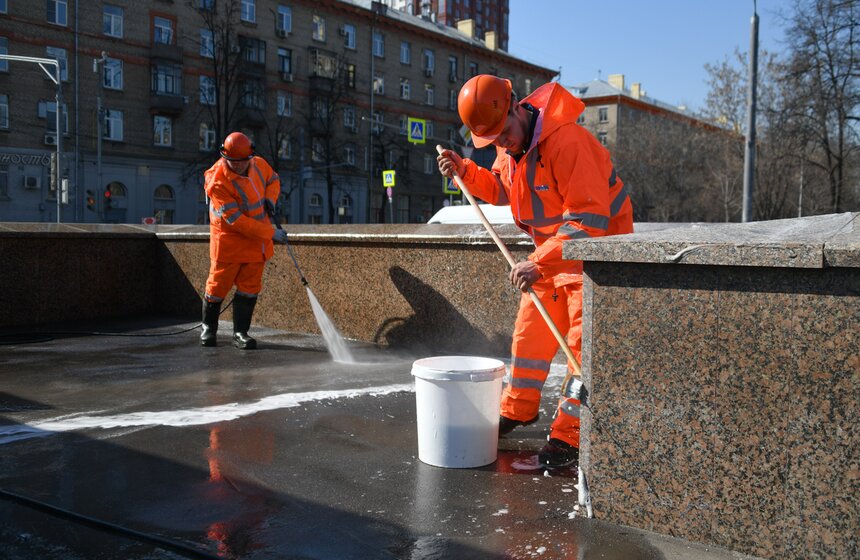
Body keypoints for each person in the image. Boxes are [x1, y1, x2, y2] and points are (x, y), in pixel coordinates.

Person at [437, 75, 634, 468]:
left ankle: (569, 438)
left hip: (595, 262)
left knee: (581, 353)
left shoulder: (568, 143)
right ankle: (518, 409)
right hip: (553, 257)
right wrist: (465, 171)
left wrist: (539, 262)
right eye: (493, 140)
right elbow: (502, 188)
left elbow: (589, 221)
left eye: (504, 133)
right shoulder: (511, 149)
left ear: (515, 106)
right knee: (529, 338)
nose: (502, 143)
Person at [200, 132, 287, 350]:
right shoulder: (217, 181)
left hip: (256, 243)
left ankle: (240, 333)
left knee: (249, 288)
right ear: (224, 156)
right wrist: (270, 233)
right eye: (232, 161)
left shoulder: (259, 164)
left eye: (241, 161)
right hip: (229, 243)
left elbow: (273, 180)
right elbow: (236, 221)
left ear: (249, 156)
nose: (237, 165)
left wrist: (270, 199)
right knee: (217, 287)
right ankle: (208, 328)